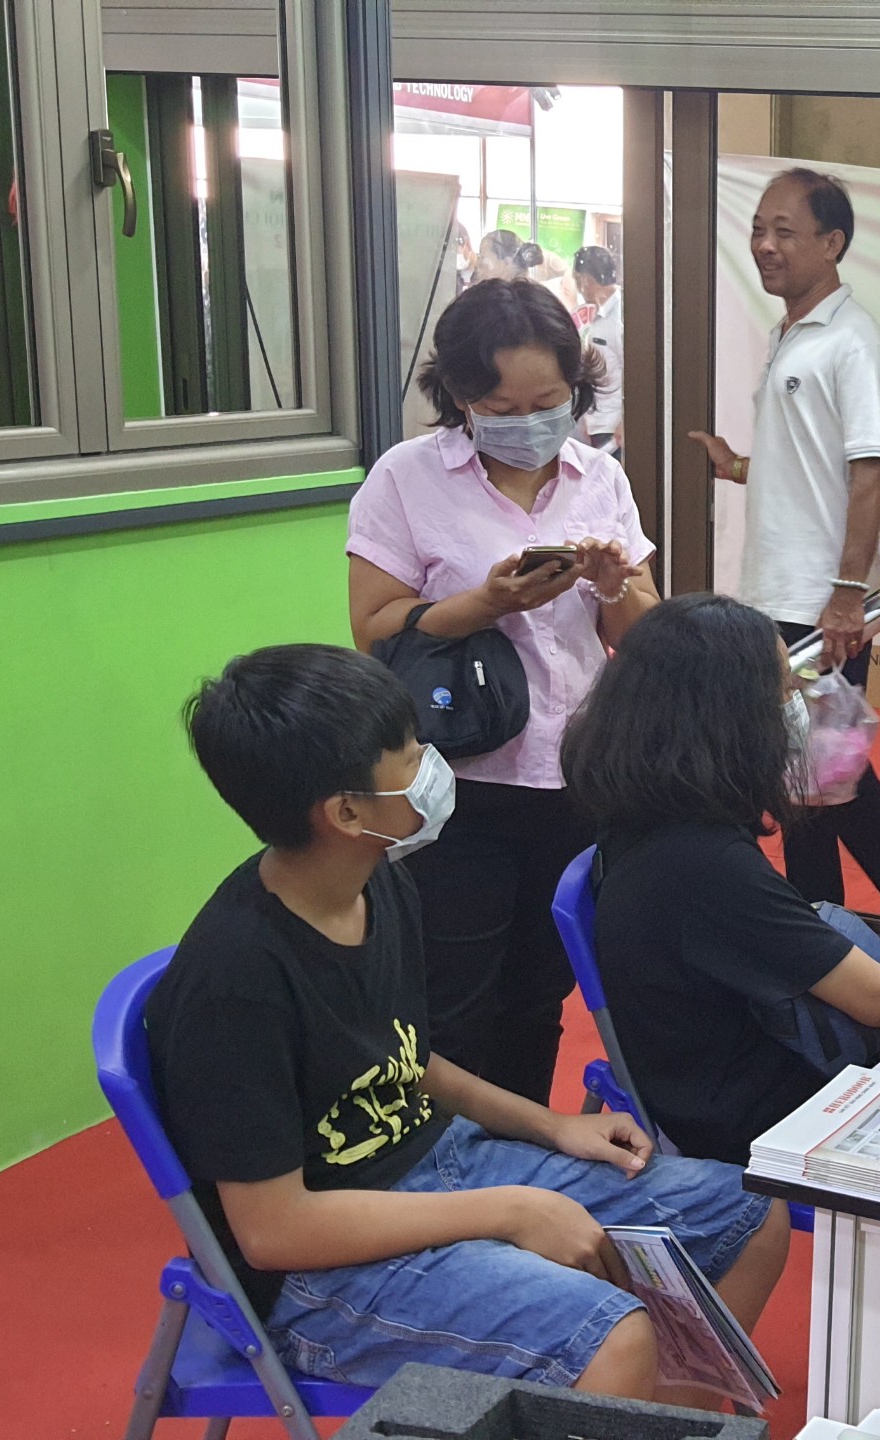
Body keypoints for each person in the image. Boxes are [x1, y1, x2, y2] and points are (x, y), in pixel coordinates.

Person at [149, 644, 790, 1397]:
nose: (432, 764)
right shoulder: (235, 983)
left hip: (440, 1163)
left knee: (748, 1212)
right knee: (610, 1338)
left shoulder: (376, 882)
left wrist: (552, 1127)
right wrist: (508, 1211)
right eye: (410, 753)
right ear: (347, 812)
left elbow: (406, 1059)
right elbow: (274, 1231)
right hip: (318, 1270)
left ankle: (673, 1419)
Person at [347, 278, 658, 1104]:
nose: (529, 422)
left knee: (539, 993)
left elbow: (643, 632)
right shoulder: (406, 478)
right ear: (459, 395)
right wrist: (486, 603)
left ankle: (524, 1146)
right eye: (501, 406)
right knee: (452, 1000)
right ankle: (453, 1161)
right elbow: (373, 628)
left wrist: (611, 585)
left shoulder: (600, 477)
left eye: (549, 402)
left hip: (576, 777)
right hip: (461, 783)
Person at [564, 593, 880, 1165]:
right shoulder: (705, 863)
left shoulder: (649, 817)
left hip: (719, 1069)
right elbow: (877, 999)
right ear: (729, 714)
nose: (796, 703)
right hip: (752, 1115)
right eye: (783, 689)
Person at [684, 169, 880, 947]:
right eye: (759, 229)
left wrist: (846, 594)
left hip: (819, 597)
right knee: (801, 769)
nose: (765, 245)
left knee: (817, 766)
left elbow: (869, 472)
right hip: (776, 589)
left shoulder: (853, 342)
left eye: (784, 232)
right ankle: (826, 912)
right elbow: (809, 465)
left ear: (832, 244)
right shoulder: (791, 335)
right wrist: (737, 467)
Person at [571, 245, 624, 453]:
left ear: (585, 280)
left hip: (615, 428)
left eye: (577, 280)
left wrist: (625, 421)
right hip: (596, 423)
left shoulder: (621, 315)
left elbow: (637, 373)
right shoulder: (593, 314)